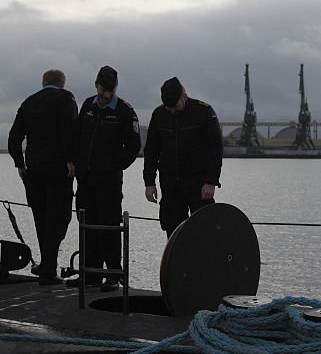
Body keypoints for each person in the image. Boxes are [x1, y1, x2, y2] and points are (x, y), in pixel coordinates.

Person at [70, 66, 141, 290]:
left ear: (115, 88)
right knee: (87, 226)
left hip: (109, 182)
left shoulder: (124, 111)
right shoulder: (88, 106)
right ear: (96, 85)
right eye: (103, 90)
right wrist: (78, 165)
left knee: (109, 227)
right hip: (86, 180)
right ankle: (89, 274)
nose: (106, 95)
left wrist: (112, 167)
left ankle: (113, 275)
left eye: (110, 91)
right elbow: (78, 137)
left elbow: (133, 146)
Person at [7, 69, 78, 285]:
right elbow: (70, 131)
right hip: (58, 168)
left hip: (34, 169)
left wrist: (20, 163)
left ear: (43, 83)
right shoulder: (66, 99)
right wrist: (70, 159)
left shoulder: (29, 102)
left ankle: (47, 264)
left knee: (41, 216)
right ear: (62, 84)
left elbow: (14, 137)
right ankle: (48, 267)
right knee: (60, 217)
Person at [143, 77, 223, 236]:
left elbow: (215, 149)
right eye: (169, 107)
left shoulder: (204, 112)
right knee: (173, 233)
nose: (172, 111)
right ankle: (176, 261)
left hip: (199, 185)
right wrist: (149, 182)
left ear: (184, 96)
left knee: (205, 232)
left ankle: (204, 261)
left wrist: (211, 181)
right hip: (170, 185)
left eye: (175, 106)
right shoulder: (159, 115)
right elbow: (151, 151)